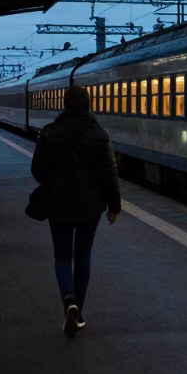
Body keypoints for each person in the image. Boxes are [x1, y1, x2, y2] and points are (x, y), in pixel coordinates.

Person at [31, 85, 121, 337]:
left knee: (62, 258)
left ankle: (68, 300)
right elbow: (109, 174)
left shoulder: (49, 132)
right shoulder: (99, 133)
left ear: (65, 105)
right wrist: (115, 206)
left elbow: (37, 171)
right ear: (89, 103)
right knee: (83, 259)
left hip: (58, 205)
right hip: (90, 206)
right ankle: (78, 312)